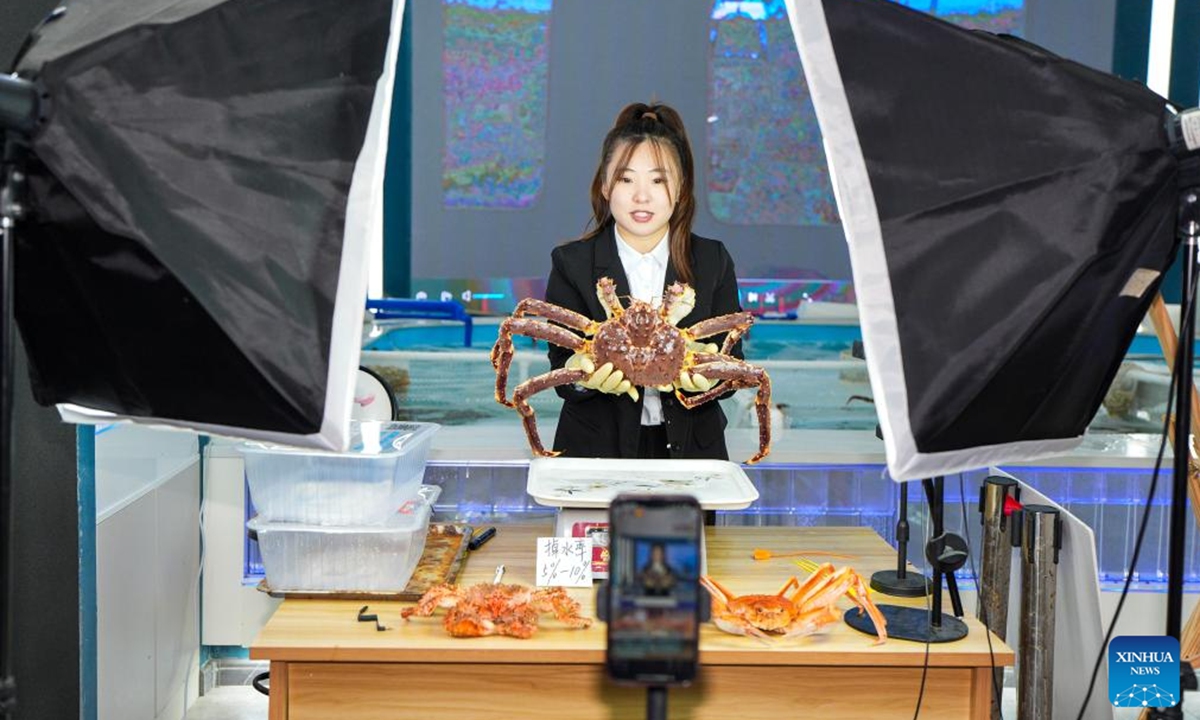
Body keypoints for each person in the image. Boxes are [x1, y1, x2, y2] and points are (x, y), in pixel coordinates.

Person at [544, 101, 744, 460]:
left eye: (658, 180)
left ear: (681, 188)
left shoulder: (712, 260)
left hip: (694, 452)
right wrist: (578, 374)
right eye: (625, 178)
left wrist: (712, 379)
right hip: (594, 451)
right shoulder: (571, 263)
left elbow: (734, 361)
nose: (641, 195)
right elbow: (561, 365)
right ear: (605, 185)